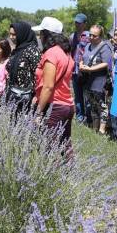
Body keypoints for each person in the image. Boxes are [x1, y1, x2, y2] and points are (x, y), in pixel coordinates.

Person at [32, 17, 75, 157]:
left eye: (41, 33)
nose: (40, 37)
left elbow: (48, 86)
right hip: (67, 105)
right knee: (65, 145)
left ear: (47, 34)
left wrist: (38, 112)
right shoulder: (65, 53)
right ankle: (70, 173)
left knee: (49, 148)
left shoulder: (51, 53)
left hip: (54, 105)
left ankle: (53, 177)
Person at [79, 25, 113, 135]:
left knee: (102, 105)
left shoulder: (104, 47)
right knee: (93, 105)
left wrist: (91, 69)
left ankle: (102, 129)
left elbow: (106, 63)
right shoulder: (88, 45)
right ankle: (95, 127)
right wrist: (81, 65)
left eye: (94, 35)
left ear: (100, 36)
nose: (91, 37)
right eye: (90, 34)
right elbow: (83, 58)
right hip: (89, 81)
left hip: (100, 81)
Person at [6, 21, 41, 112]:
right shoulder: (17, 50)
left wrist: (37, 95)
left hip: (27, 97)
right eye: (10, 34)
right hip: (14, 94)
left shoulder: (32, 51)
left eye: (14, 35)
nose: (11, 37)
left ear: (22, 34)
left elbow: (38, 74)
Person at [70, 13, 88, 121]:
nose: (77, 24)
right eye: (76, 22)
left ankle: (89, 118)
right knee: (77, 96)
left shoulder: (88, 36)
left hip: (85, 70)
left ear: (84, 24)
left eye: (79, 23)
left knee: (87, 95)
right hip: (74, 70)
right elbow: (71, 51)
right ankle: (79, 117)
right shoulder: (72, 36)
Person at [72, 31, 91, 122]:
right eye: (83, 37)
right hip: (77, 74)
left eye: (86, 37)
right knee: (80, 97)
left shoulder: (89, 48)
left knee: (84, 97)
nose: (84, 39)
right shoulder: (79, 47)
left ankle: (85, 117)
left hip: (85, 74)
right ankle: (82, 117)